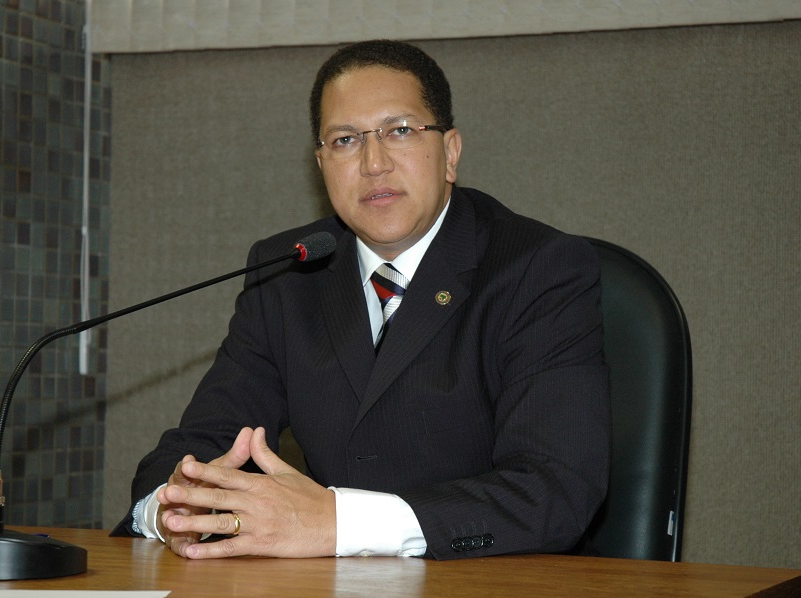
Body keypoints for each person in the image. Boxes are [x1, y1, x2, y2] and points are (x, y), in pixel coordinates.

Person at [113, 39, 610, 561]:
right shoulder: (288, 272)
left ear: (450, 153)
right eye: (346, 140)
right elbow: (200, 443)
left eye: (400, 131)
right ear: (321, 164)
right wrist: (175, 509)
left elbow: (555, 489)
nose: (374, 164)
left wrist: (339, 521)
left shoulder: (538, 268)